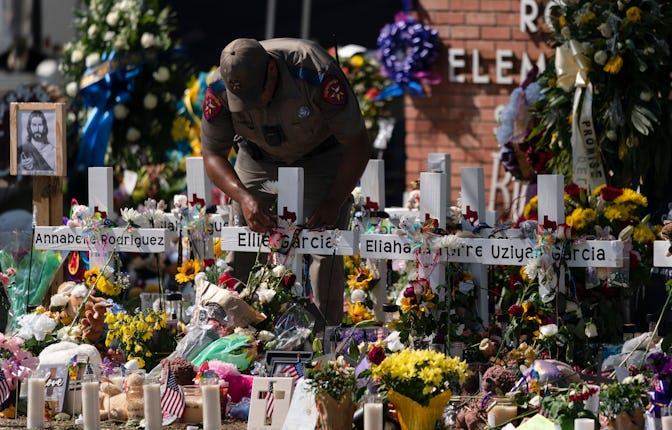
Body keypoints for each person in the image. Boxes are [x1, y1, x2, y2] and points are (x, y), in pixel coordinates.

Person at [200, 38, 371, 325]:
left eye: (258, 95)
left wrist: (334, 199)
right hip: (257, 158)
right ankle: (230, 331)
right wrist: (244, 197)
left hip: (320, 155)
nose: (254, 106)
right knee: (243, 241)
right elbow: (212, 154)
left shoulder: (313, 70)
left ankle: (325, 336)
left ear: (272, 70)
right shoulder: (219, 87)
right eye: (245, 102)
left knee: (323, 244)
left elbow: (358, 142)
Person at [20, 109, 55, 174]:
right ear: (29, 127)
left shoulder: (52, 150)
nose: (37, 129)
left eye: (40, 125)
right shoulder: (23, 149)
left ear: (44, 127)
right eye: (34, 125)